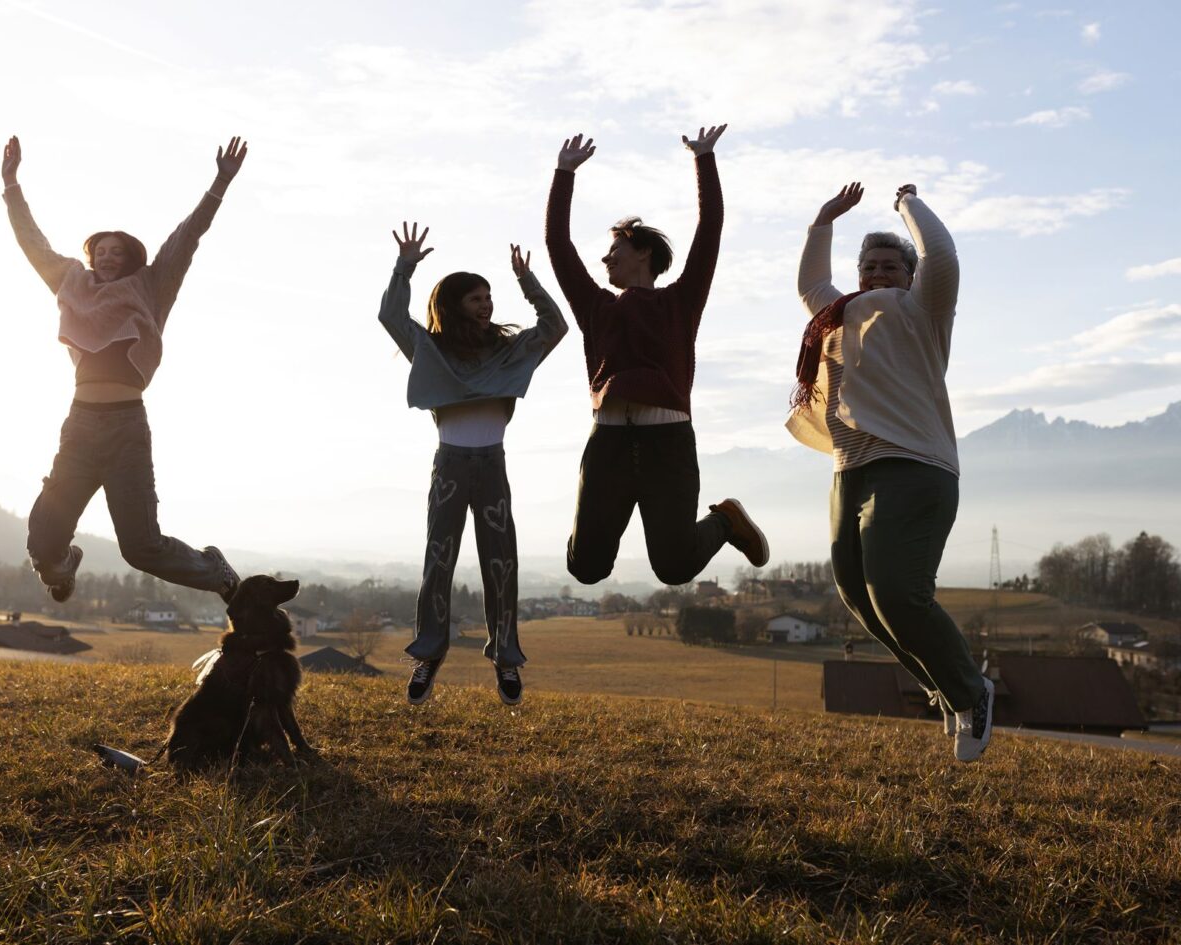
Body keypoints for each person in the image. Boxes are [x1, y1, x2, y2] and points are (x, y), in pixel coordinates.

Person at [787, 181, 994, 762]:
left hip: (912, 466)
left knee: (898, 594)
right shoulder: (837, 316)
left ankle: (973, 691)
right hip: (850, 472)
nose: (877, 274)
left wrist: (907, 202)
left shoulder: (921, 311)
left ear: (909, 274)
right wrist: (823, 219)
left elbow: (942, 256)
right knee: (859, 594)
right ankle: (948, 689)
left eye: (889, 265)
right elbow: (809, 283)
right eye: (868, 266)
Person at [1, 134, 244, 605]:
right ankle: (61, 568)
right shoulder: (72, 282)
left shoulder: (152, 285)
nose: (107, 256)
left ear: (133, 257)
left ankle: (216, 572)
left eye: (118, 250)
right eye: (101, 250)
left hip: (126, 427)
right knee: (42, 539)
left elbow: (186, 236)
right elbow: (32, 242)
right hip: (81, 424)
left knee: (141, 548)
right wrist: (12, 184)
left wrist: (219, 184)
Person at [544, 128, 769, 588]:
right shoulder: (596, 308)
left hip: (667, 445)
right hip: (606, 444)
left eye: (615, 250)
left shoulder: (681, 302)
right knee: (584, 568)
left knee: (674, 567)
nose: (605, 260)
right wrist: (563, 173)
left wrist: (704, 160)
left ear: (643, 252)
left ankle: (726, 521)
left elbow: (710, 231)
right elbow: (558, 246)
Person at [378, 222, 568, 706]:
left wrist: (528, 283)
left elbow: (555, 327)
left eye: (488, 296)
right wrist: (404, 267)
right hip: (450, 466)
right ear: (453, 305)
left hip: (492, 466)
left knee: (501, 562)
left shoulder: (509, 351)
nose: (485, 303)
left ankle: (506, 658)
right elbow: (390, 315)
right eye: (474, 298)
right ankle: (429, 653)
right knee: (437, 561)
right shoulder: (431, 350)